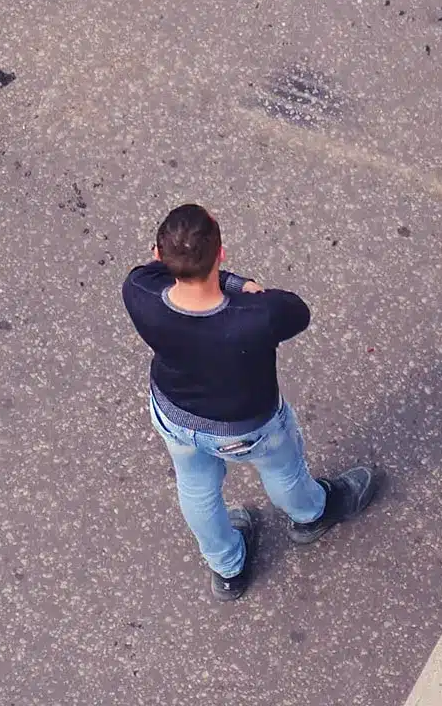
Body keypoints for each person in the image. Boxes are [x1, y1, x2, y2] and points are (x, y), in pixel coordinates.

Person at [123, 203, 377, 600]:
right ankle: (311, 515)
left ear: (158, 256)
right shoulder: (256, 315)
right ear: (221, 253)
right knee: (283, 469)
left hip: (173, 414)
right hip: (246, 426)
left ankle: (227, 569)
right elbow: (297, 311)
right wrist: (242, 286)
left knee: (196, 487)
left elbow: (156, 274)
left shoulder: (138, 290)